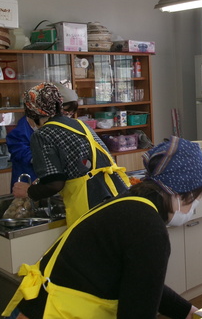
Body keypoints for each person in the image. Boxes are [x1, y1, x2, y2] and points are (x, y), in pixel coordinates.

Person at [0, 136, 202, 319]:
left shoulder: (127, 203)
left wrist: (188, 312)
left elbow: (141, 286)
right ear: (179, 192)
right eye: (195, 199)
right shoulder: (149, 229)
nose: (194, 207)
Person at [11, 82, 130, 226]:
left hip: (91, 202)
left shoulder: (43, 134)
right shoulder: (80, 124)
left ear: (33, 112)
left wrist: (29, 191)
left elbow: (55, 184)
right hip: (117, 193)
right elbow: (75, 164)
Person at [6, 82, 79, 189]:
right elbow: (21, 152)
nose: (67, 117)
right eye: (64, 113)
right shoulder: (21, 131)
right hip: (28, 178)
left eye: (70, 114)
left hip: (52, 181)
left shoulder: (61, 127)